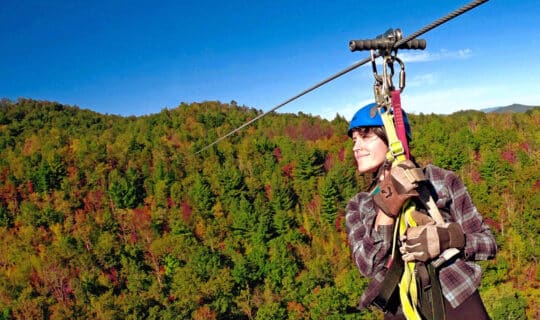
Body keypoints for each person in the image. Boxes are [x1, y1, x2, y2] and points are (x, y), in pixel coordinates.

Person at [345, 103, 497, 319]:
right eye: (354, 140)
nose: (356, 147)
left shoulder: (440, 180)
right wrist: (387, 208)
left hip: (456, 296)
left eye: (365, 136)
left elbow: (488, 243)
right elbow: (367, 264)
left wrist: (448, 238)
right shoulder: (359, 205)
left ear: (394, 138)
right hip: (401, 306)